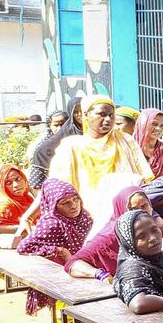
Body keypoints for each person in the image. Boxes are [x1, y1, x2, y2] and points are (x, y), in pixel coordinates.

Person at [46, 95, 154, 235]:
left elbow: (143, 180)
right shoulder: (71, 146)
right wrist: (29, 218)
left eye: (111, 115)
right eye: (102, 114)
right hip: (85, 218)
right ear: (85, 115)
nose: (108, 119)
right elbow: (56, 187)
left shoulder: (125, 141)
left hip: (126, 215)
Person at [16, 180, 92, 314]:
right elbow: (24, 247)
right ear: (54, 206)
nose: (74, 206)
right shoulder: (51, 223)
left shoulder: (84, 217)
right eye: (65, 203)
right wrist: (58, 250)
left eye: (76, 199)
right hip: (60, 272)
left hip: (83, 265)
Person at [64, 185, 158, 282]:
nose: (140, 213)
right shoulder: (110, 237)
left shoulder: (153, 229)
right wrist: (100, 274)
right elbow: (72, 264)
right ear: (122, 211)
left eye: (144, 206)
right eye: (133, 209)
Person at [113, 209, 163, 315]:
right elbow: (139, 303)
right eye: (141, 236)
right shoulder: (131, 267)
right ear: (129, 242)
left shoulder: (161, 257)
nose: (152, 238)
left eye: (154, 230)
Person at [26, 98, 82, 191]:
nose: (80, 115)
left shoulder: (93, 134)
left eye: (62, 124)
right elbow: (36, 185)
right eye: (76, 112)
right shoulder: (45, 146)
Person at [0, 164, 34, 236]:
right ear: (1, 186)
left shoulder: (28, 199)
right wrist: (18, 229)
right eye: (8, 183)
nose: (16, 185)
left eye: (18, 179)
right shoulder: (3, 204)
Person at [134, 108, 163, 178]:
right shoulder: (130, 147)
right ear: (143, 124)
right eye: (154, 124)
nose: (158, 129)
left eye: (162, 126)